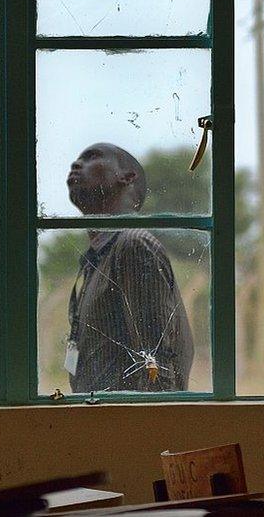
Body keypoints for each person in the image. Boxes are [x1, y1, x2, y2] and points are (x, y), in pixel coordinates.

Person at [65, 142, 193, 393]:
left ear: (128, 177)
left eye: (92, 157)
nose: (76, 164)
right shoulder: (99, 258)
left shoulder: (133, 245)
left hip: (129, 426)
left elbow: (156, 368)